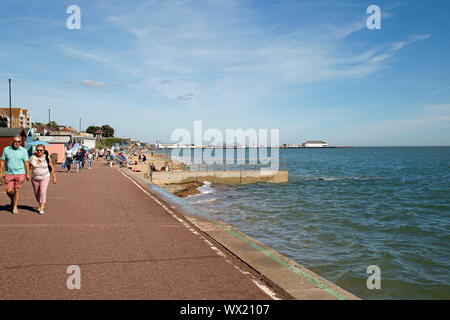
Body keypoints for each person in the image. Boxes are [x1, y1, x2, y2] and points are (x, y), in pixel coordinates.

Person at [0, 136, 30, 214]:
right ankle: (13, 199)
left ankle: (15, 206)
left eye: (19, 141)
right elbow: (2, 161)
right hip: (9, 173)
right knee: (9, 191)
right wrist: (0, 172)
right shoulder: (6, 149)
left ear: (20, 142)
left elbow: (26, 163)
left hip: (20, 173)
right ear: (12, 141)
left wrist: (28, 173)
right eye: (15, 141)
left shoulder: (23, 151)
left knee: (17, 189)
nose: (17, 143)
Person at [29, 145, 56, 215]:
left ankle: (41, 208)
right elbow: (28, 166)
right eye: (38, 150)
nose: (39, 152)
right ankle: (40, 204)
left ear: (44, 151)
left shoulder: (47, 157)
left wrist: (54, 177)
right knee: (37, 193)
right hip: (35, 178)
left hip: (45, 177)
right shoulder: (32, 157)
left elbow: (51, 166)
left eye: (41, 150)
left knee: (43, 192)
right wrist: (27, 174)